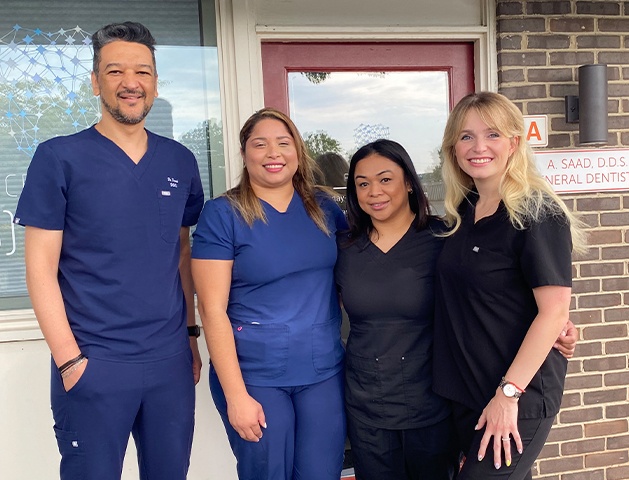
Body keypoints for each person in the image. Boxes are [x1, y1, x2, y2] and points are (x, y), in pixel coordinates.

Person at [15, 22, 204, 480]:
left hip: (169, 364)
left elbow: (181, 251)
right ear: (96, 82)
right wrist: (70, 359)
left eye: (142, 71)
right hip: (94, 363)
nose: (130, 82)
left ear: (156, 83)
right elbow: (40, 267)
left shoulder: (180, 161)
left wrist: (191, 336)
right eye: (115, 71)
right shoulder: (58, 157)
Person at [433, 91, 587, 479]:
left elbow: (553, 312)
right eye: (466, 136)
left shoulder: (538, 211)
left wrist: (508, 395)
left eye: (492, 135)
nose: (478, 147)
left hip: (516, 397)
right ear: (453, 147)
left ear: (514, 143)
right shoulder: (462, 211)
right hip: (466, 392)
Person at [191, 107, 348, 480]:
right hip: (255, 377)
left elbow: (349, 280)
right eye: (259, 144)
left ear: (298, 151)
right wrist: (236, 396)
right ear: (245, 154)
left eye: (283, 142)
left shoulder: (324, 207)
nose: (273, 153)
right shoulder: (222, 214)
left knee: (320, 474)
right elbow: (212, 311)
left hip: (323, 371)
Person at [335, 139, 457, 480]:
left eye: (385, 179)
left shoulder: (443, 239)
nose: (374, 191)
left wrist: (552, 321)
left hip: (431, 406)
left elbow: (489, 295)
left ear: (407, 182)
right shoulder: (344, 249)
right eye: (362, 183)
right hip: (366, 407)